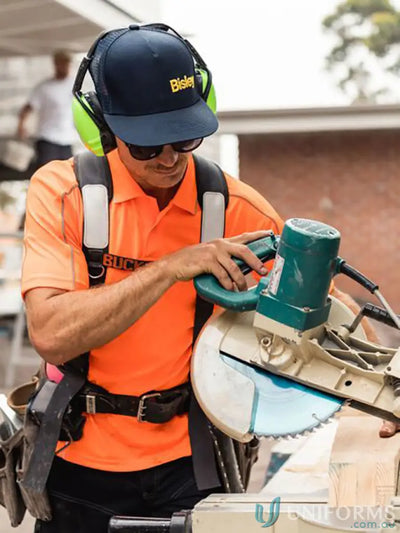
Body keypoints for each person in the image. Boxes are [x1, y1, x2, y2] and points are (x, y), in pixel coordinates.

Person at [20, 24, 389, 533]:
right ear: (104, 127)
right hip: (75, 463)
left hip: (189, 464)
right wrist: (172, 268)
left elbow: (329, 311)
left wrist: (382, 395)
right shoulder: (65, 195)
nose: (169, 159)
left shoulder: (235, 208)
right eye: (147, 147)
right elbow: (51, 333)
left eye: (183, 137)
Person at [17, 49, 76, 168]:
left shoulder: (74, 85)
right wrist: (21, 125)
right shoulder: (44, 87)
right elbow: (28, 107)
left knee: (68, 175)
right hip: (48, 138)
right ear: (56, 64)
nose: (65, 66)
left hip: (67, 139)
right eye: (62, 63)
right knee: (48, 173)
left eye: (67, 63)